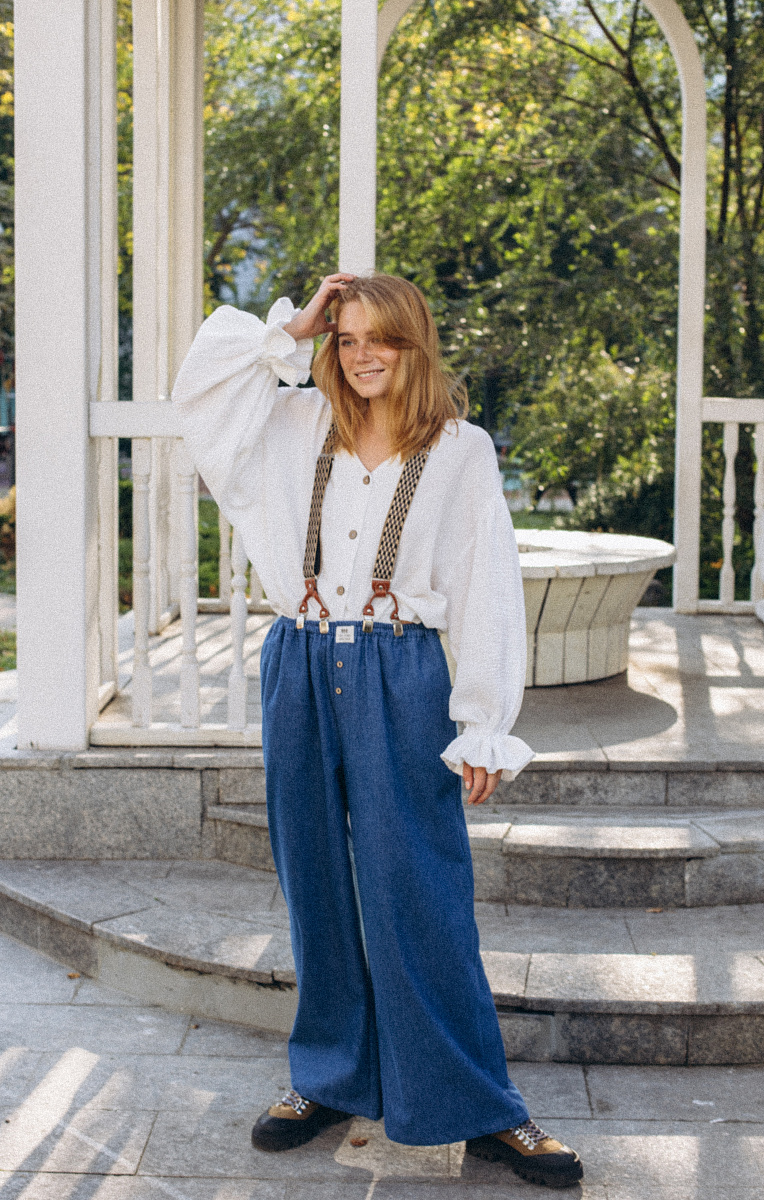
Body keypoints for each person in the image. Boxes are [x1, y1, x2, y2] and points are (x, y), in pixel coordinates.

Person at [173, 273, 583, 1189]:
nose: (362, 355)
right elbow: (199, 392)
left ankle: (478, 1105)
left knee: (418, 884)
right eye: (347, 337)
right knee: (313, 877)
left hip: (403, 669)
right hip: (301, 660)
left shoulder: (461, 449)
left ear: (414, 343)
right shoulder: (292, 425)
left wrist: (483, 721)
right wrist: (293, 327)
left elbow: (486, 580)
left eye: (381, 338)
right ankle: (329, 1078)